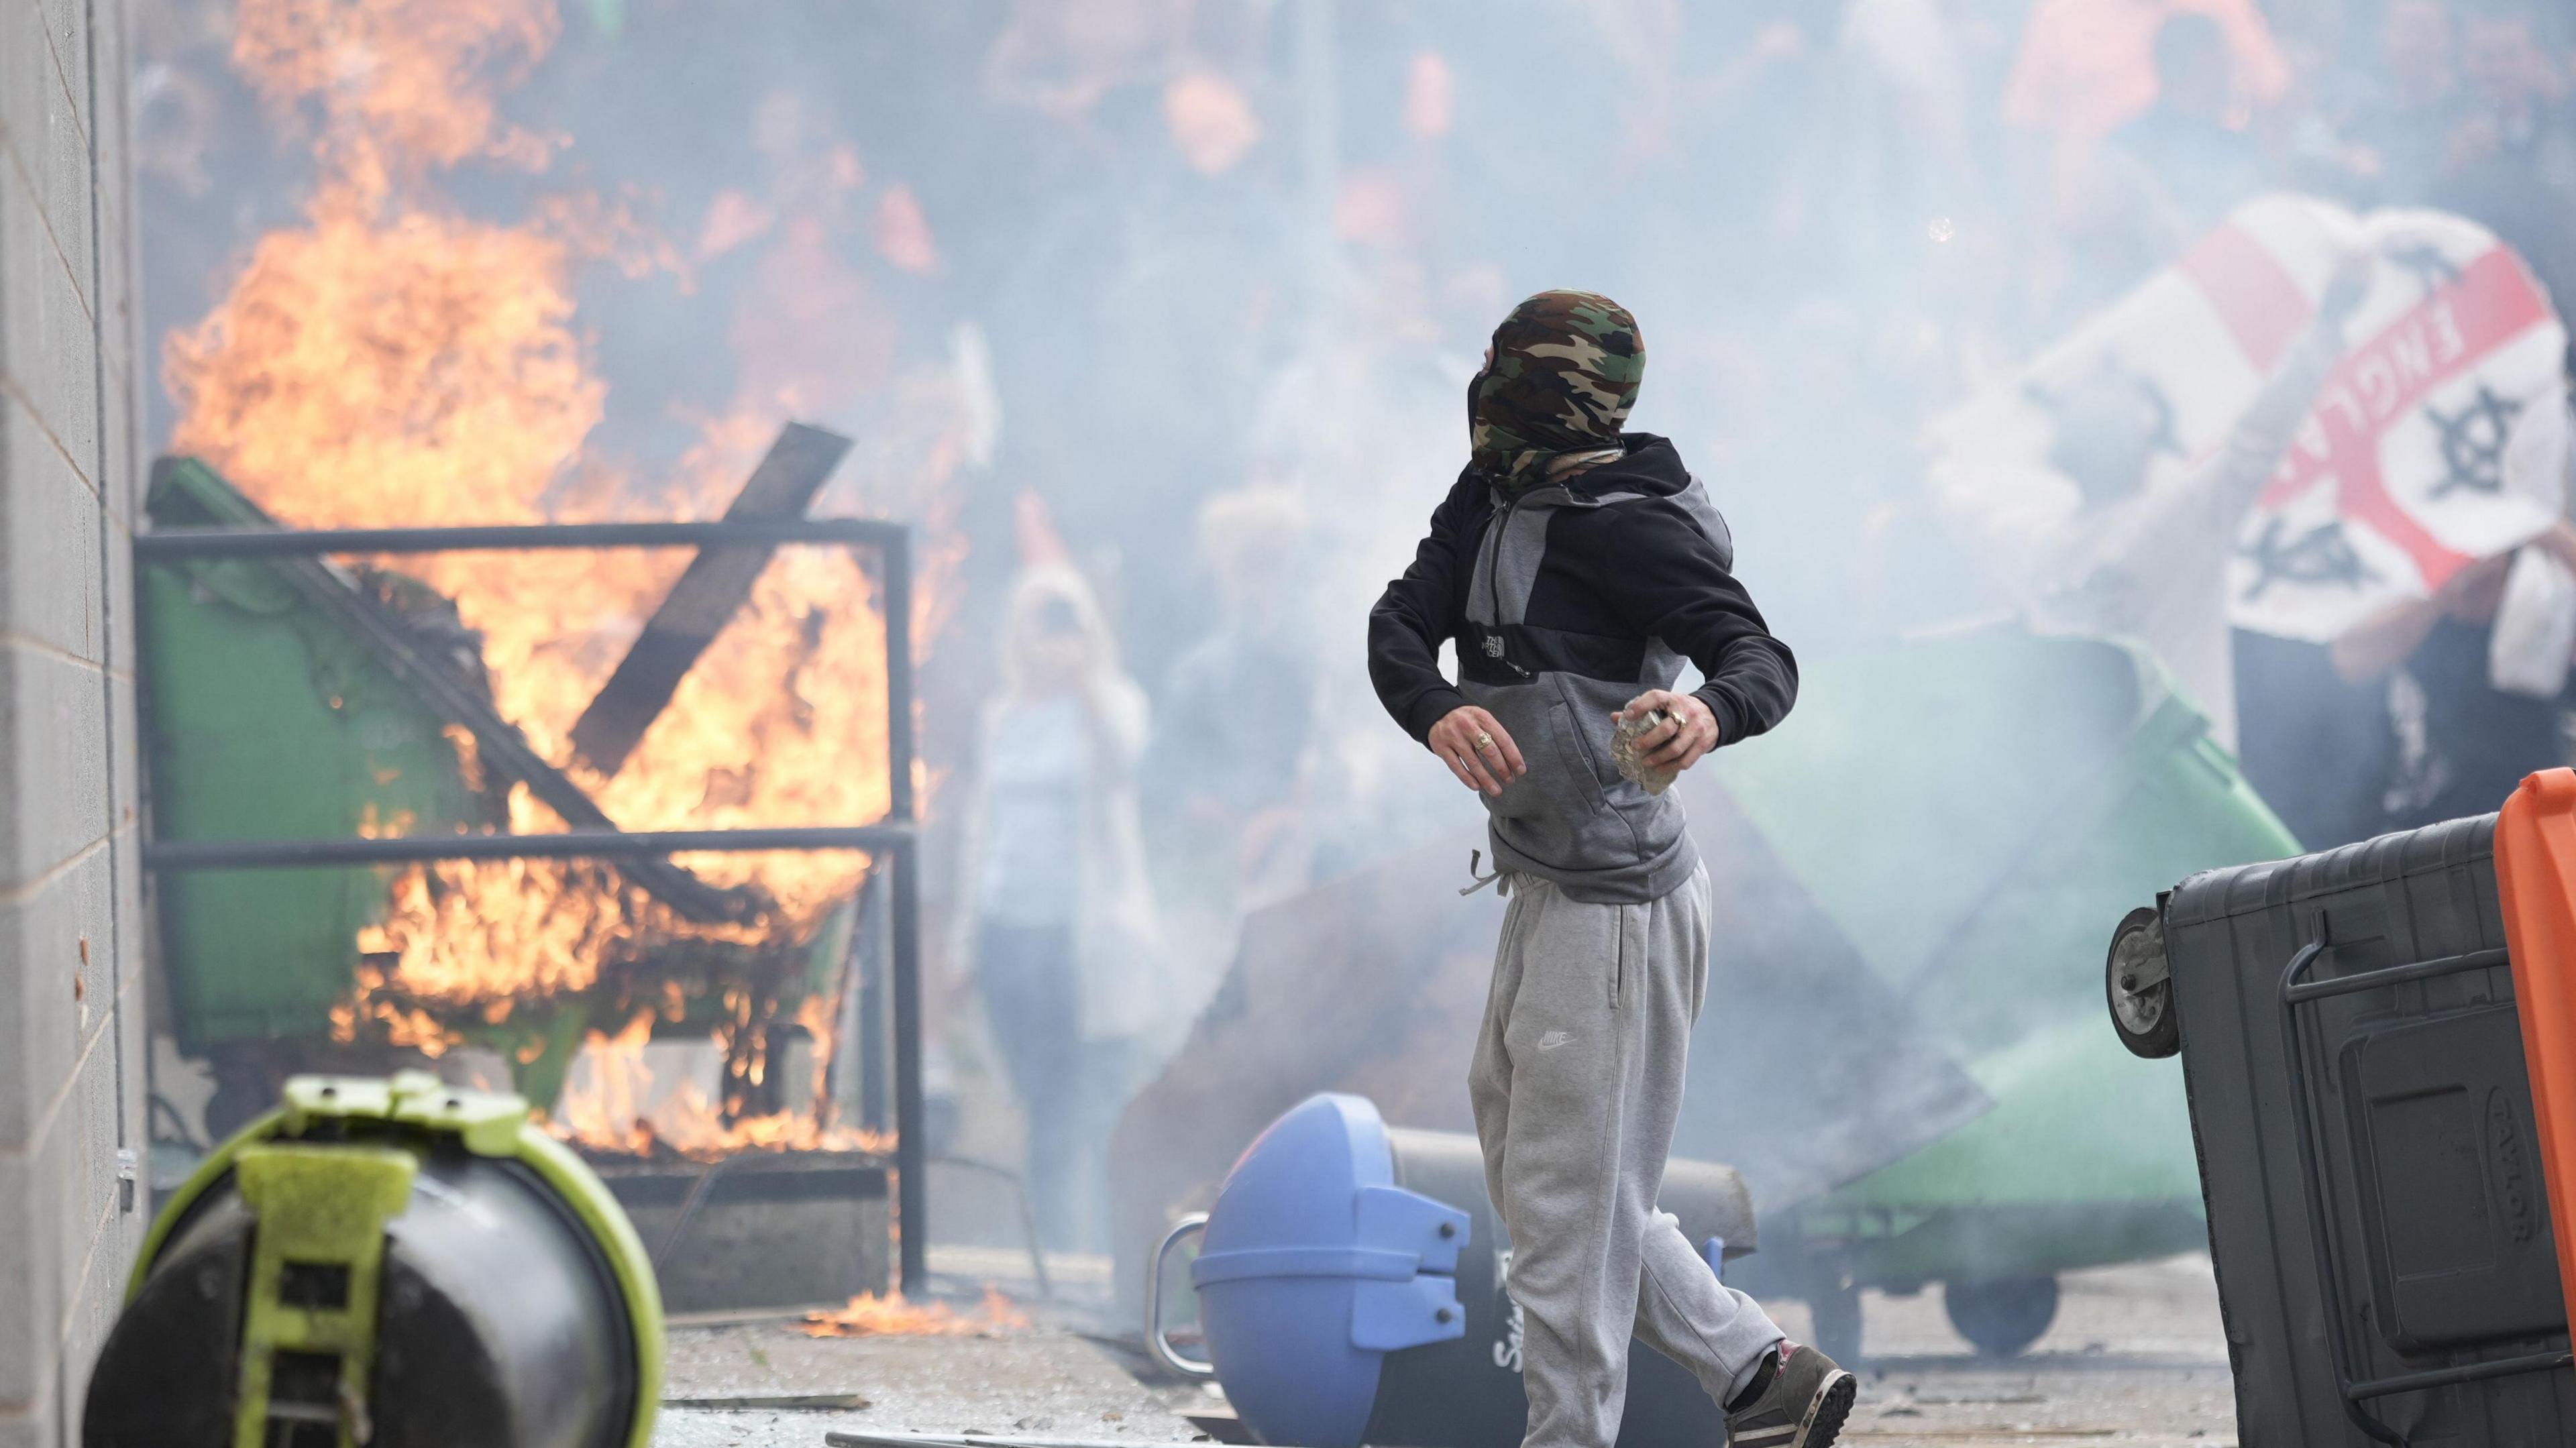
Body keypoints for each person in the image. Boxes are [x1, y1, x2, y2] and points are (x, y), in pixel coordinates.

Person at [1367, 291, 1839, 1448]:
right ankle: (1755, 1367)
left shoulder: (1634, 525)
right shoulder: (1487, 495)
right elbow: (1397, 622)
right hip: (1539, 879)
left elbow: (1759, 655)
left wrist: (1707, 714)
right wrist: (1433, 707)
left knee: (1567, 1210)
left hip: (1621, 905)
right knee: (1548, 1185)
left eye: (1511, 373)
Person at [956, 563, 1165, 1251]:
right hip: (1006, 927)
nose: (1051, 635)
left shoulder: (1114, 703)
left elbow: (1127, 769)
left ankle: (1084, 1254)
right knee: (1037, 1094)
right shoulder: (1002, 714)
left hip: (1083, 938)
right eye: (1039, 618)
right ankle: (1054, 1245)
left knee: (1079, 1100)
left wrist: (1083, 687)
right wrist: (963, 940)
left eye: (1064, 616)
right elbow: (980, 830)